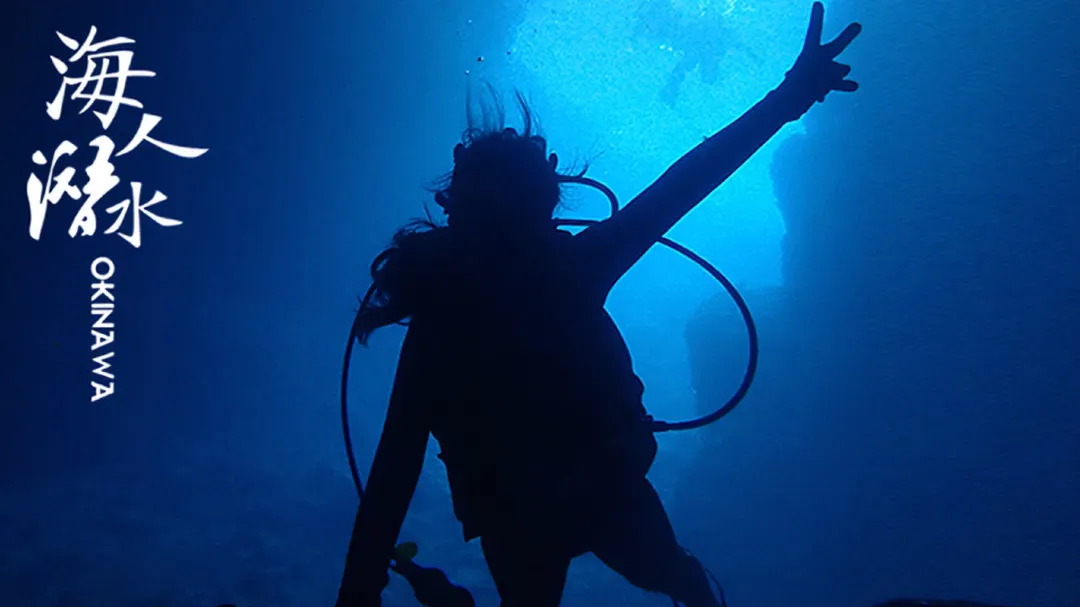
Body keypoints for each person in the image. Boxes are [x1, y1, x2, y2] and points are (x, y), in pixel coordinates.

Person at [336, 4, 861, 606]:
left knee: (639, 583)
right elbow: (686, 181)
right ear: (547, 200)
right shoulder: (571, 268)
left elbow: (392, 472)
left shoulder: (443, 316)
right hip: (604, 489)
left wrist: (358, 587)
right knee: (681, 580)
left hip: (521, 510)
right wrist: (789, 97)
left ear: (460, 210)